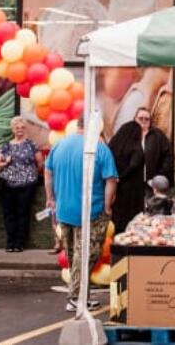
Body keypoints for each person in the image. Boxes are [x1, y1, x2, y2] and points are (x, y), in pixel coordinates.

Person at [45, 125, 119, 313]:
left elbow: (48, 172)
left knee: (73, 255)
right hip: (91, 211)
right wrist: (108, 206)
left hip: (64, 209)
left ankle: (80, 296)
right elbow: (111, 180)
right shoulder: (99, 148)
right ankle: (76, 298)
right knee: (86, 255)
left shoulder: (59, 145)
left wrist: (50, 197)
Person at [109, 106, 174, 231]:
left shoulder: (157, 136)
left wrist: (159, 177)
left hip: (150, 184)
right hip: (129, 184)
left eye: (146, 119)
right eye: (140, 118)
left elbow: (168, 156)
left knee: (149, 217)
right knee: (131, 213)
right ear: (134, 119)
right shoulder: (127, 134)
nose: (143, 121)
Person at [0, 116, 43, 252]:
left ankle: (20, 243)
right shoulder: (6, 146)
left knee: (23, 213)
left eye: (22, 127)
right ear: (13, 129)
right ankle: (11, 242)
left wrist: (30, 174)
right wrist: (6, 163)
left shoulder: (31, 145)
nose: (20, 130)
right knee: (9, 214)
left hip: (26, 185)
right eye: (17, 128)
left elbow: (40, 163)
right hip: (7, 185)